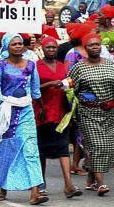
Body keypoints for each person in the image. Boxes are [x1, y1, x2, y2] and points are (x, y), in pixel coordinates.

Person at [0, 33, 47, 205]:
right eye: (14, 44)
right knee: (8, 149)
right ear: (7, 46)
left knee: (30, 150)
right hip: (7, 112)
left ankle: (35, 192)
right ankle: (3, 188)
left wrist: (41, 107)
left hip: (26, 111)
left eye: (21, 43)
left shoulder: (30, 65)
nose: (18, 46)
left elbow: (35, 90)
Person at [34, 36, 82, 198]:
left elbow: (68, 82)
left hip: (61, 113)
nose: (51, 50)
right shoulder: (37, 66)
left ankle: (69, 185)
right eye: (48, 47)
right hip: (42, 112)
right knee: (41, 150)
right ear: (43, 49)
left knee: (63, 148)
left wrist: (68, 85)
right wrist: (49, 84)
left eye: (54, 47)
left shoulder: (62, 66)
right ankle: (41, 186)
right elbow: (32, 88)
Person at [68, 33, 114, 196]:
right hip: (89, 112)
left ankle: (90, 177)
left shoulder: (110, 65)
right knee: (97, 146)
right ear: (85, 48)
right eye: (91, 45)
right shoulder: (79, 67)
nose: (95, 47)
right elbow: (70, 89)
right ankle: (101, 184)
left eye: (97, 44)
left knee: (108, 147)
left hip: (109, 113)